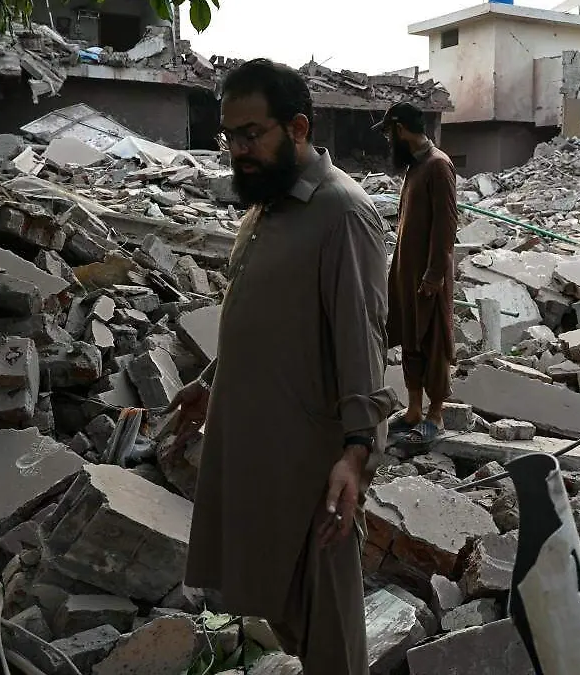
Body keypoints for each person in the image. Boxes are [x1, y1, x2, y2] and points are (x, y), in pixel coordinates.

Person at [168, 58, 390, 674]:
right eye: (229, 137)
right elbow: (267, 321)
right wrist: (209, 385)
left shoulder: (342, 213)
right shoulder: (267, 207)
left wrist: (356, 453)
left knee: (330, 629)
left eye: (251, 134)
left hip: (312, 467)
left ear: (297, 128)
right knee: (284, 608)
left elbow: (363, 342)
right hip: (259, 454)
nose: (238, 151)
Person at [379, 101, 459, 446]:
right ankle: (413, 410)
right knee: (410, 336)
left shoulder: (438, 165)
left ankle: (435, 414)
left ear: (400, 129)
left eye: (389, 134)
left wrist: (434, 275)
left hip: (429, 276)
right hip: (407, 271)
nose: (388, 141)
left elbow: (446, 226)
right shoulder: (416, 165)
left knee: (434, 341)